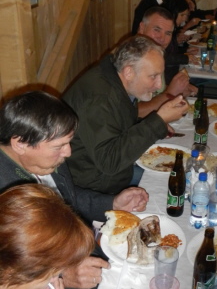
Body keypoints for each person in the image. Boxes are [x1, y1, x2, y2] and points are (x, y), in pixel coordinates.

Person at [0, 90, 149, 289]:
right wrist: (63, 275)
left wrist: (112, 203)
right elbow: (8, 280)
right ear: (20, 143)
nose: (68, 152)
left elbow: (67, 199)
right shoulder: (6, 195)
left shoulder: (44, 159)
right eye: (60, 146)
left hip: (82, 255)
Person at [63, 35, 189, 194]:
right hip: (94, 188)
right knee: (173, 184)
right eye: (153, 76)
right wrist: (158, 120)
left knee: (179, 175)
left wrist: (156, 124)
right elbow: (109, 162)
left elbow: (117, 124)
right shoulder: (99, 99)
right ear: (129, 72)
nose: (158, 85)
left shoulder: (116, 81)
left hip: (112, 176)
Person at [136, 7, 197, 117]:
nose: (162, 38)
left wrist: (178, 90)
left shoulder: (155, 55)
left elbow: (157, 92)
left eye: (168, 33)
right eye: (157, 30)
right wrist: (170, 93)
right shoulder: (130, 60)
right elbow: (134, 112)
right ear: (142, 27)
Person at [161, 0, 199, 84]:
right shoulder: (164, 31)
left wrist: (185, 50)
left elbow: (171, 50)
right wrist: (185, 58)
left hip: (172, 72)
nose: (184, 19)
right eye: (181, 15)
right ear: (173, 13)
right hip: (165, 78)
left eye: (185, 15)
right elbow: (163, 57)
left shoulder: (172, 29)